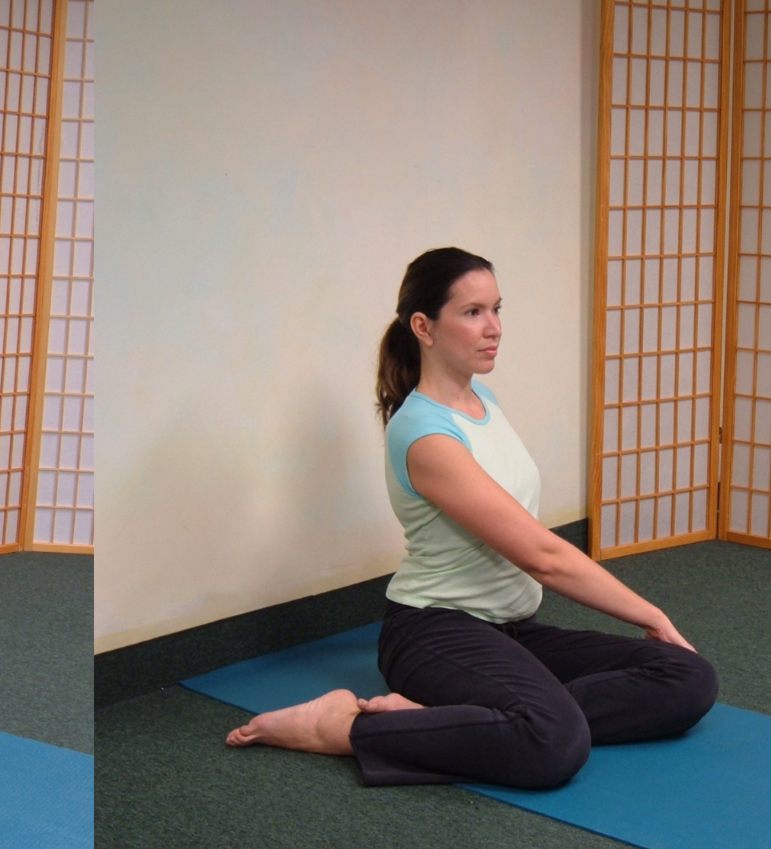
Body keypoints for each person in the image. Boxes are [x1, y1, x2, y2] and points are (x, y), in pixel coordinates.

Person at [225, 248, 717, 787]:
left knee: (687, 679)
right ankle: (341, 729)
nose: (494, 328)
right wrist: (651, 616)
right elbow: (543, 557)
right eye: (473, 312)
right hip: (434, 633)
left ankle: (458, 723)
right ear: (424, 326)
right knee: (555, 744)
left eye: (497, 309)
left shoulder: (484, 401)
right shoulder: (424, 434)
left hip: (514, 632)